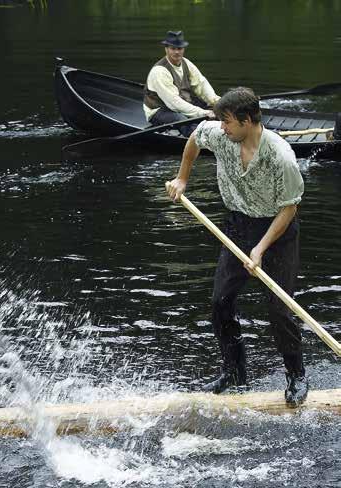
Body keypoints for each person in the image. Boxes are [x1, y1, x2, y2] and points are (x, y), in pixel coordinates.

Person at [166, 87, 309, 406]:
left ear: (247, 120)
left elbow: (289, 209)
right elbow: (194, 139)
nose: (221, 127)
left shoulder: (280, 155)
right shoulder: (219, 135)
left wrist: (260, 249)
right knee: (221, 301)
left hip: (277, 231)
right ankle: (234, 370)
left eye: (228, 122)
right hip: (238, 225)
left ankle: (296, 375)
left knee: (279, 308)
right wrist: (182, 179)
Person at [143, 30, 219, 137]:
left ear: (183, 49)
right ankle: (203, 139)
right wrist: (203, 113)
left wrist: (217, 103)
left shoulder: (186, 63)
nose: (177, 52)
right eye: (173, 48)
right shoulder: (159, 71)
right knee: (183, 121)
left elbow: (202, 85)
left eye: (179, 48)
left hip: (180, 103)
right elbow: (174, 103)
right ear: (166, 49)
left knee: (218, 112)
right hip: (160, 111)